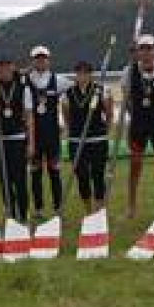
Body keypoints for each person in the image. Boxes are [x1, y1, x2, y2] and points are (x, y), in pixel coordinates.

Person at [121, 34, 154, 219]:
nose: (146, 52)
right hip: (138, 124)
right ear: (138, 51)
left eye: (150, 48)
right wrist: (130, 119)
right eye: (142, 48)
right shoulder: (129, 71)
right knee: (135, 167)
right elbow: (126, 100)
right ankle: (131, 207)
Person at [25, 45, 72, 220]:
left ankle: (58, 208)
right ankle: (38, 209)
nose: (41, 60)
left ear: (48, 60)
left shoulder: (58, 80)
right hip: (33, 133)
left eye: (44, 58)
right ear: (33, 60)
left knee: (54, 172)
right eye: (37, 58)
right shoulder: (25, 80)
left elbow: (79, 86)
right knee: (35, 172)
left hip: (52, 133)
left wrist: (64, 122)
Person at [0, 54, 35, 222]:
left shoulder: (24, 88)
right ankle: (10, 214)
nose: (4, 69)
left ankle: (22, 214)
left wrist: (31, 143)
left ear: (13, 67)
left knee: (20, 179)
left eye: (7, 65)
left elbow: (29, 117)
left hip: (17, 138)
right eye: (1, 66)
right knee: (4, 179)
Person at [62, 59, 114, 214]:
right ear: (76, 75)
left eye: (86, 72)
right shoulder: (68, 94)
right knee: (81, 175)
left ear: (90, 75)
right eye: (79, 72)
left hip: (97, 139)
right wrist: (71, 131)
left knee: (98, 175)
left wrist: (107, 132)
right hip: (77, 140)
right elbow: (66, 115)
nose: (82, 76)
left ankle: (99, 211)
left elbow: (109, 113)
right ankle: (89, 211)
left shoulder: (100, 90)